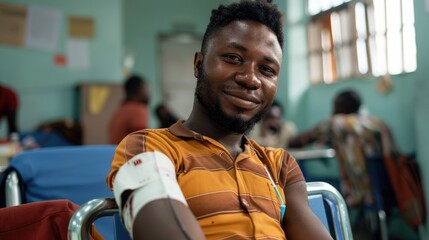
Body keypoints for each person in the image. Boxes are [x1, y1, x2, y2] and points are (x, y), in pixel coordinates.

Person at [107, 1, 332, 239]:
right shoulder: (151, 148)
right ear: (198, 64)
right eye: (234, 58)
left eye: (266, 70)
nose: (250, 79)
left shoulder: (280, 165)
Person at [108, 75, 151, 144]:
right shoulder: (138, 109)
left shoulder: (120, 110)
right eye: (147, 88)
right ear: (139, 90)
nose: (149, 93)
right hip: (128, 154)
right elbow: (142, 142)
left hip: (116, 153)